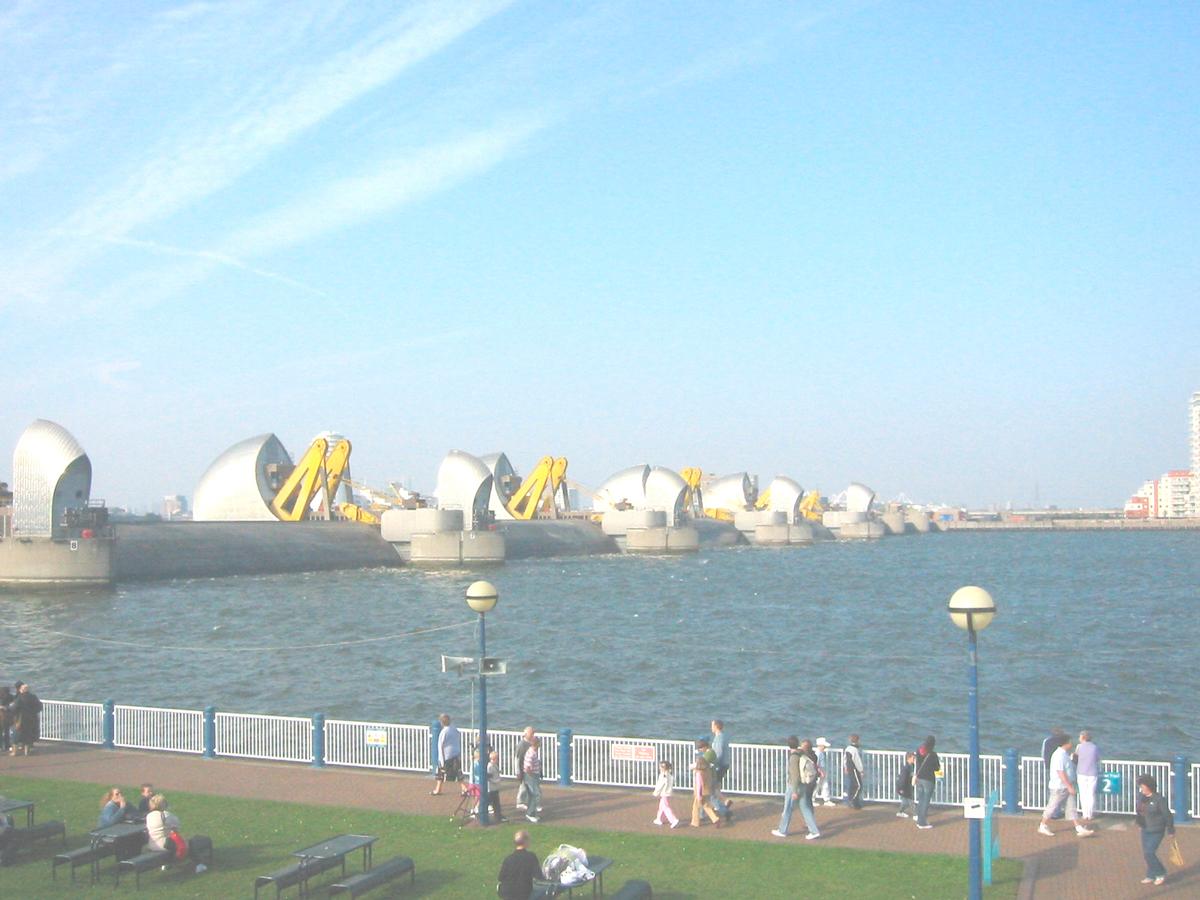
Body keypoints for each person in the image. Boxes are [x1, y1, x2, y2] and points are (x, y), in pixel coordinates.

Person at [1038, 733, 1093, 837]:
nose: (1071, 743)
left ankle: (1078, 827)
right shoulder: (1059, 755)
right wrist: (1069, 786)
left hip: (1065, 786)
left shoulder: (1064, 754)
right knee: (1052, 806)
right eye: (1070, 742)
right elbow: (1060, 772)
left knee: (1071, 807)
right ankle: (1043, 825)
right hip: (1059, 786)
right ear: (1066, 743)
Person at [772, 736, 820, 839]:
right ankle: (814, 830)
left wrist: (794, 791)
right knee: (805, 808)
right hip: (803, 785)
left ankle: (782, 830)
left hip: (794, 786)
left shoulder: (793, 757)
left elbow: (794, 775)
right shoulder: (801, 753)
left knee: (788, 808)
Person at [1134, 774, 1175, 886]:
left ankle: (1161, 872)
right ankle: (1151, 874)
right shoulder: (1142, 797)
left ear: (1149, 786)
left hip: (1157, 830)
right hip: (1145, 829)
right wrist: (1139, 823)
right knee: (1146, 854)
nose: (1141, 789)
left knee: (1150, 852)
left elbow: (1167, 815)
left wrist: (1170, 830)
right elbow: (1140, 811)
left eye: (1143, 787)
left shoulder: (1159, 799)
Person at [497, 830, 540, 900]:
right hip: (524, 893)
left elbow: (500, 877)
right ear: (525, 841)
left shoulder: (508, 859)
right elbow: (538, 876)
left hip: (508, 894)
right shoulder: (531, 857)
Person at [690, 744, 721, 828]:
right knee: (706, 806)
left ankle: (695, 822)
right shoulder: (707, 771)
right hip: (707, 791)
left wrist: (699, 795)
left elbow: (699, 785)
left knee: (695, 807)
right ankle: (715, 819)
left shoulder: (698, 774)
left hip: (700, 793)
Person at [430, 714, 462, 796]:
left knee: (440, 773)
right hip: (456, 754)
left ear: (441, 722)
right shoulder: (454, 729)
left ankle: (438, 790)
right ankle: (464, 788)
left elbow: (440, 746)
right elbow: (458, 738)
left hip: (446, 756)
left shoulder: (444, 732)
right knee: (458, 773)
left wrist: (441, 760)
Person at [913, 735, 940, 829]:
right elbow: (937, 768)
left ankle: (918, 817)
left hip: (919, 778)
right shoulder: (933, 755)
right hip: (929, 779)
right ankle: (922, 822)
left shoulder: (919, 751)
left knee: (920, 799)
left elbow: (917, 763)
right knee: (926, 801)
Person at [710, 720, 733, 822]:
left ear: (715, 726)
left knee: (712, 789)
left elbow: (718, 754)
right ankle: (723, 802)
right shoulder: (723, 736)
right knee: (716, 787)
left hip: (720, 766)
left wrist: (713, 764)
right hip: (724, 764)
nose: (711, 727)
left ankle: (722, 807)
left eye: (712, 725)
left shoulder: (719, 738)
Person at [1075, 730, 1100, 823]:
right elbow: (1097, 758)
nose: (1079, 738)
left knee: (1083, 794)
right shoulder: (1095, 747)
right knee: (1091, 794)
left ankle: (1085, 814)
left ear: (1083, 738)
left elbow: (1076, 757)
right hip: (1092, 773)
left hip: (1081, 772)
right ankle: (1090, 814)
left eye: (1080, 737)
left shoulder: (1079, 747)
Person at [10, 682, 42, 756]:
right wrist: (33, 712)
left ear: (21, 690)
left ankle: (14, 752)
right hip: (32, 719)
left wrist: (9, 709)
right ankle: (26, 752)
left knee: (16, 735)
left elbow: (14, 708)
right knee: (28, 735)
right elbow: (39, 706)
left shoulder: (19, 698)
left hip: (20, 720)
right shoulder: (33, 697)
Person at [651, 760, 680, 828]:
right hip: (667, 793)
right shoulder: (669, 774)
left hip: (664, 793)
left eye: (661, 766)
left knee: (665, 807)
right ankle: (659, 819)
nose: (660, 767)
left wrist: (656, 792)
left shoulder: (663, 775)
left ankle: (673, 820)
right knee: (661, 806)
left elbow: (660, 785)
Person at [522, 736, 543, 823]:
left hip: (532, 775)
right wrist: (532, 774)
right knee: (534, 794)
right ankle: (530, 813)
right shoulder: (531, 753)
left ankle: (533, 813)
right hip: (531, 776)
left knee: (533, 795)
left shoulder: (532, 752)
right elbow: (527, 767)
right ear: (537, 744)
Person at [514, 726, 534, 811]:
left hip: (528, 768)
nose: (532, 735)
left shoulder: (530, 743)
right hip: (523, 769)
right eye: (531, 733)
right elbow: (517, 758)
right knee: (523, 786)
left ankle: (527, 801)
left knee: (528, 786)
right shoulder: (522, 745)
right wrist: (518, 771)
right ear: (526, 734)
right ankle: (520, 802)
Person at [843, 734, 865, 809]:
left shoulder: (848, 748)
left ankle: (850, 800)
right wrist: (861, 770)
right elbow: (857, 761)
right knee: (859, 786)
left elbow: (845, 759)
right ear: (857, 741)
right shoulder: (854, 750)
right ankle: (854, 801)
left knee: (852, 785)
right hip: (854, 769)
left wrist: (845, 767)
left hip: (849, 769)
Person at [486, 749, 505, 822]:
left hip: (494, 788)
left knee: (496, 803)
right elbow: (489, 778)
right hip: (491, 788)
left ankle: (498, 816)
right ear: (493, 759)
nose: (498, 760)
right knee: (491, 802)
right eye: (497, 758)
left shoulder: (494, 765)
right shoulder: (490, 767)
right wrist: (497, 781)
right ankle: (481, 813)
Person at [814, 737, 834, 806]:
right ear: (820, 745)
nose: (825, 747)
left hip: (822, 770)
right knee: (816, 786)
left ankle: (826, 800)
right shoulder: (818, 753)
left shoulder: (820, 753)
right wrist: (821, 772)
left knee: (825, 785)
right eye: (824, 746)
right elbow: (816, 764)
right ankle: (812, 800)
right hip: (819, 772)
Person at [896, 751, 916, 818]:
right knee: (910, 801)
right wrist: (901, 788)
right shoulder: (906, 768)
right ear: (909, 758)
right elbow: (902, 779)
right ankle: (915, 814)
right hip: (904, 787)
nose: (914, 759)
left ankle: (900, 812)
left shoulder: (912, 766)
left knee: (905, 801)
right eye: (913, 758)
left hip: (908, 786)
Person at [0, 686, 12, 754]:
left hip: (3, 717)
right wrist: (6, 707)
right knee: (7, 731)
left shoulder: (4, 697)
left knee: (1, 732)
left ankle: (1, 746)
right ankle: (7, 745)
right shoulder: (10, 697)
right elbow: (13, 705)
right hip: (7, 717)